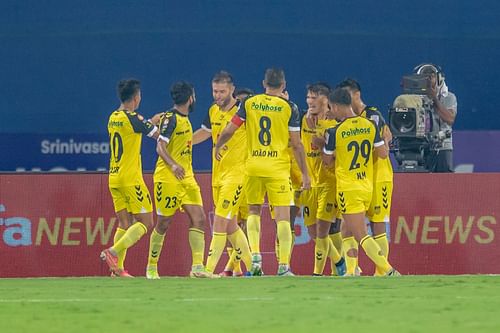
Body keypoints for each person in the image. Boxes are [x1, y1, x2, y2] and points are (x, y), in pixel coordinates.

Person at [215, 68, 310, 276]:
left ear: (263, 83)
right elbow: (296, 144)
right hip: (277, 168)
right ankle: (284, 266)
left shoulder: (249, 103)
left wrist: (217, 145)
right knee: (283, 218)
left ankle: (256, 259)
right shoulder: (289, 107)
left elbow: (230, 129)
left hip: (253, 166)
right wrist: (305, 173)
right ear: (283, 85)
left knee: (254, 211)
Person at [322, 87, 399, 277]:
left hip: (348, 188)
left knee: (360, 234)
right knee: (346, 230)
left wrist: (321, 145)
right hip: (366, 185)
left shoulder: (335, 131)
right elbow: (382, 154)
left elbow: (326, 161)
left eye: (331, 107)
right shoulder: (369, 125)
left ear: (338, 107)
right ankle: (350, 271)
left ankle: (388, 270)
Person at [146, 81, 213, 279]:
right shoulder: (172, 119)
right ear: (190, 98)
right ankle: (151, 266)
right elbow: (160, 146)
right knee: (164, 222)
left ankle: (198, 267)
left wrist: (155, 119)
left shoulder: (181, 118)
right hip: (168, 177)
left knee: (199, 218)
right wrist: (173, 165)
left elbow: (154, 121)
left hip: (187, 177)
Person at [191, 71, 253, 276]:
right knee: (231, 226)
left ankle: (208, 269)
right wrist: (184, 142)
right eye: (215, 91)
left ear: (232, 90)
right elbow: (204, 133)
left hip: (237, 174)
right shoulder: (212, 111)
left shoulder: (244, 111)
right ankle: (254, 268)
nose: (217, 95)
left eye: (222, 91)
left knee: (220, 220)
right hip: (218, 175)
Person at [101, 78, 159, 277]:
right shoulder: (134, 118)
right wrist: (155, 123)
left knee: (124, 225)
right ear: (136, 97)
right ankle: (113, 251)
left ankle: (117, 269)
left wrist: (148, 121)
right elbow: (156, 134)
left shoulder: (113, 117)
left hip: (114, 177)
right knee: (146, 222)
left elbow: (135, 129)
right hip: (131, 178)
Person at [299, 82, 345, 276]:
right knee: (312, 232)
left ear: (326, 100)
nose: (310, 101)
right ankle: (339, 261)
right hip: (310, 183)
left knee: (323, 229)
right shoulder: (304, 120)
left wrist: (322, 141)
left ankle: (317, 274)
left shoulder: (335, 125)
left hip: (329, 182)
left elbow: (338, 156)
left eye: (314, 97)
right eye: (308, 97)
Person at [414, 63, 458, 172]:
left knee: (445, 184)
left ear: (439, 78)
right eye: (425, 76)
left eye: (431, 76)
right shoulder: (413, 98)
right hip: (419, 147)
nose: (428, 79)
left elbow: (449, 119)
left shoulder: (449, 97)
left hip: (443, 147)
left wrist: (434, 99)